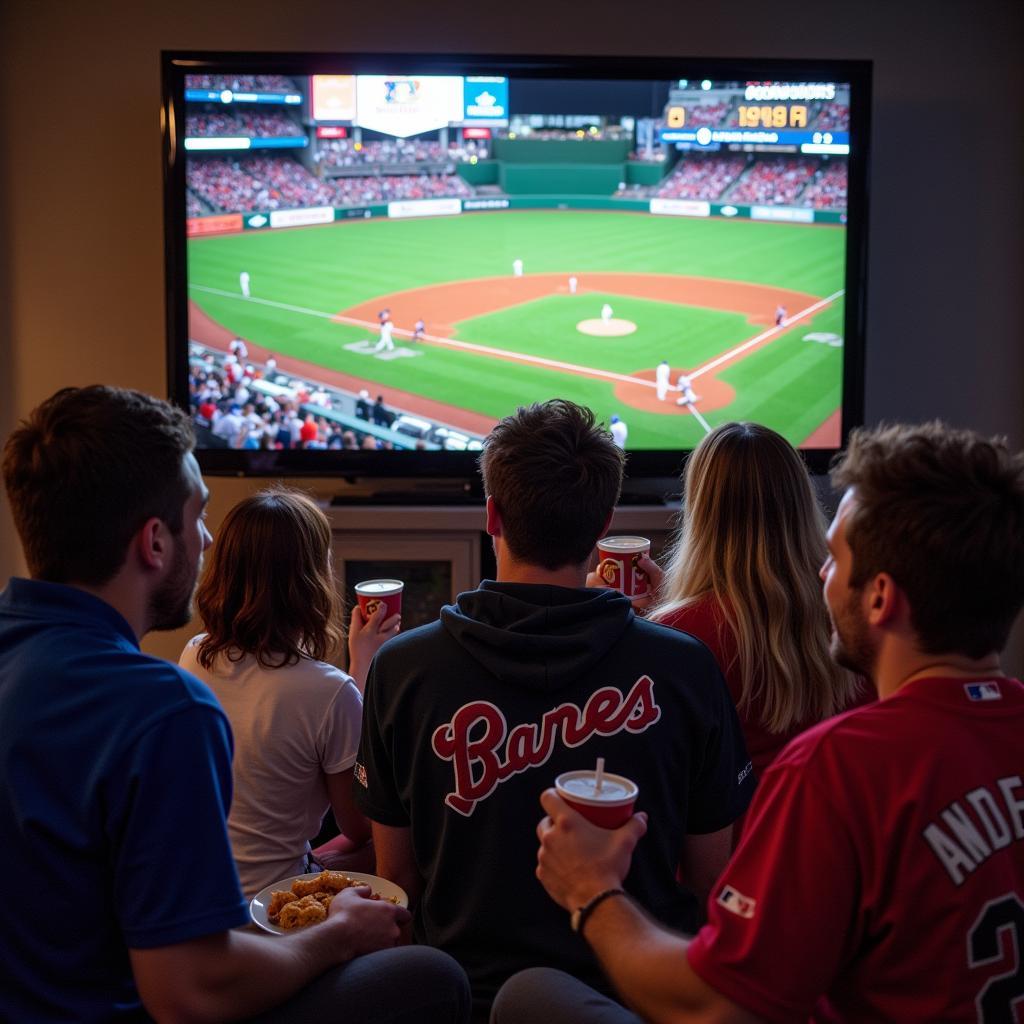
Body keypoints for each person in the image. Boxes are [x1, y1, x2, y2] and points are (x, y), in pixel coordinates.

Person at [495, 420, 1024, 1024]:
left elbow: (716, 1008)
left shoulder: (838, 767)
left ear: (879, 598)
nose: (822, 574)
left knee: (528, 995)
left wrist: (593, 893)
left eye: (838, 558)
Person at [0, 385, 471, 1024]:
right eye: (197, 515)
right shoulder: (162, 710)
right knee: (433, 976)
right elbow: (192, 993)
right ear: (154, 543)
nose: (208, 538)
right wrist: (339, 934)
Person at [354, 399, 754, 1022]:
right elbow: (710, 882)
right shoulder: (685, 668)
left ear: (492, 515)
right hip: (632, 1001)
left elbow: (395, 879)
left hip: (461, 1002)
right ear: (603, 526)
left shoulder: (402, 668)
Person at [179, 488, 402, 897]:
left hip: (202, 894)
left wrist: (357, 666)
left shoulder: (194, 655)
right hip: (274, 910)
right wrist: (360, 674)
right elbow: (359, 825)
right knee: (394, 836)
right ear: (311, 579)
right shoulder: (328, 692)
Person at [647, 423, 865, 827]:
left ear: (701, 513)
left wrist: (658, 623)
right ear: (800, 501)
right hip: (837, 853)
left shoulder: (678, 639)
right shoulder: (856, 618)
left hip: (733, 867)